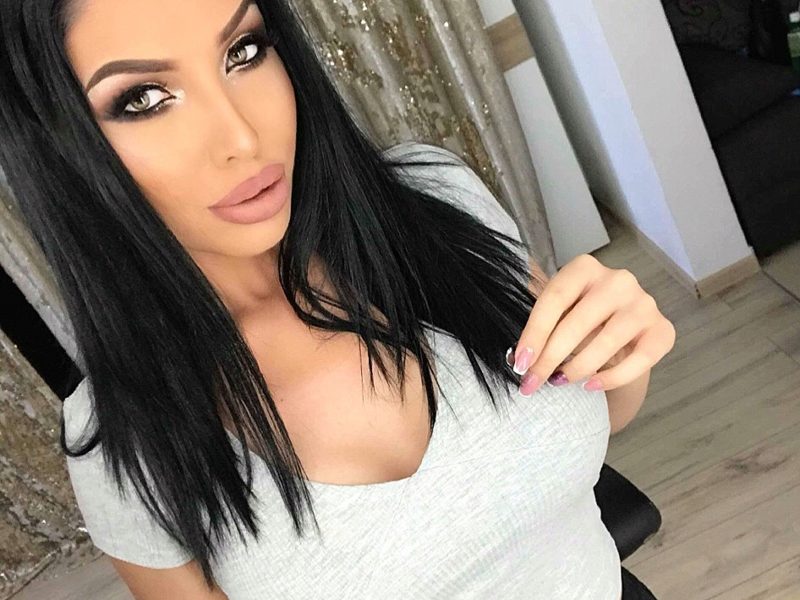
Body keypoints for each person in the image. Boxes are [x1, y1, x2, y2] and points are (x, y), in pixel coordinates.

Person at [0, 0, 671, 597]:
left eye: (243, 51)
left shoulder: (440, 201)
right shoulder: (121, 441)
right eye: (145, 98)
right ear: (58, 148)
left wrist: (620, 353)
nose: (242, 137)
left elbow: (591, 421)